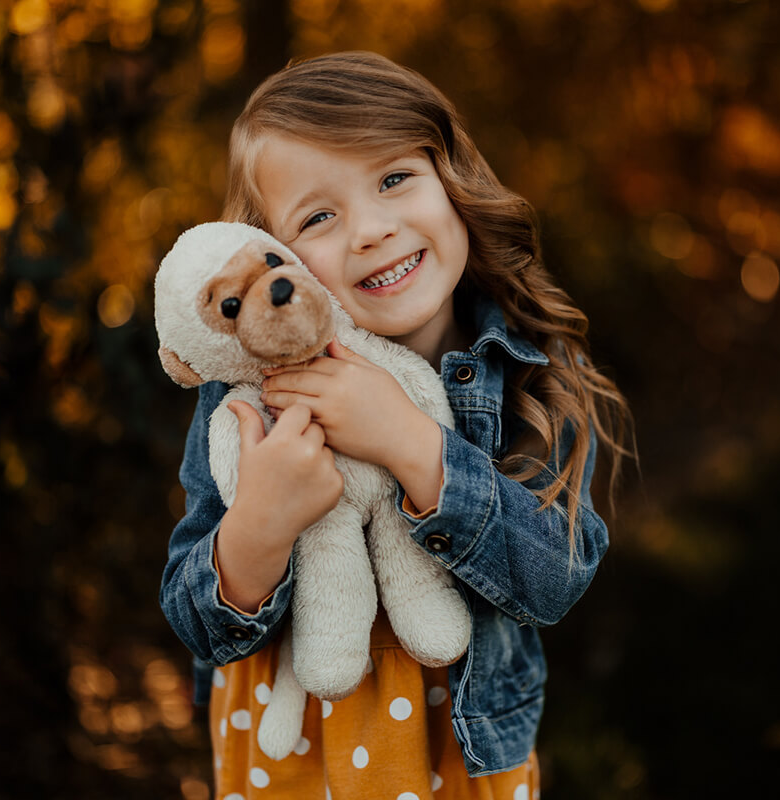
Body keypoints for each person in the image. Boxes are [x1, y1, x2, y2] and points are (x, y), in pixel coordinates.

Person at [160, 51, 632, 799]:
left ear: (450, 180)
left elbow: (558, 573)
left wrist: (410, 442)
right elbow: (197, 621)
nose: (372, 230)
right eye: (319, 216)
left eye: (393, 179)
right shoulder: (244, 400)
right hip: (285, 767)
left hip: (457, 761)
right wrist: (260, 525)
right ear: (272, 253)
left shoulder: (525, 366)